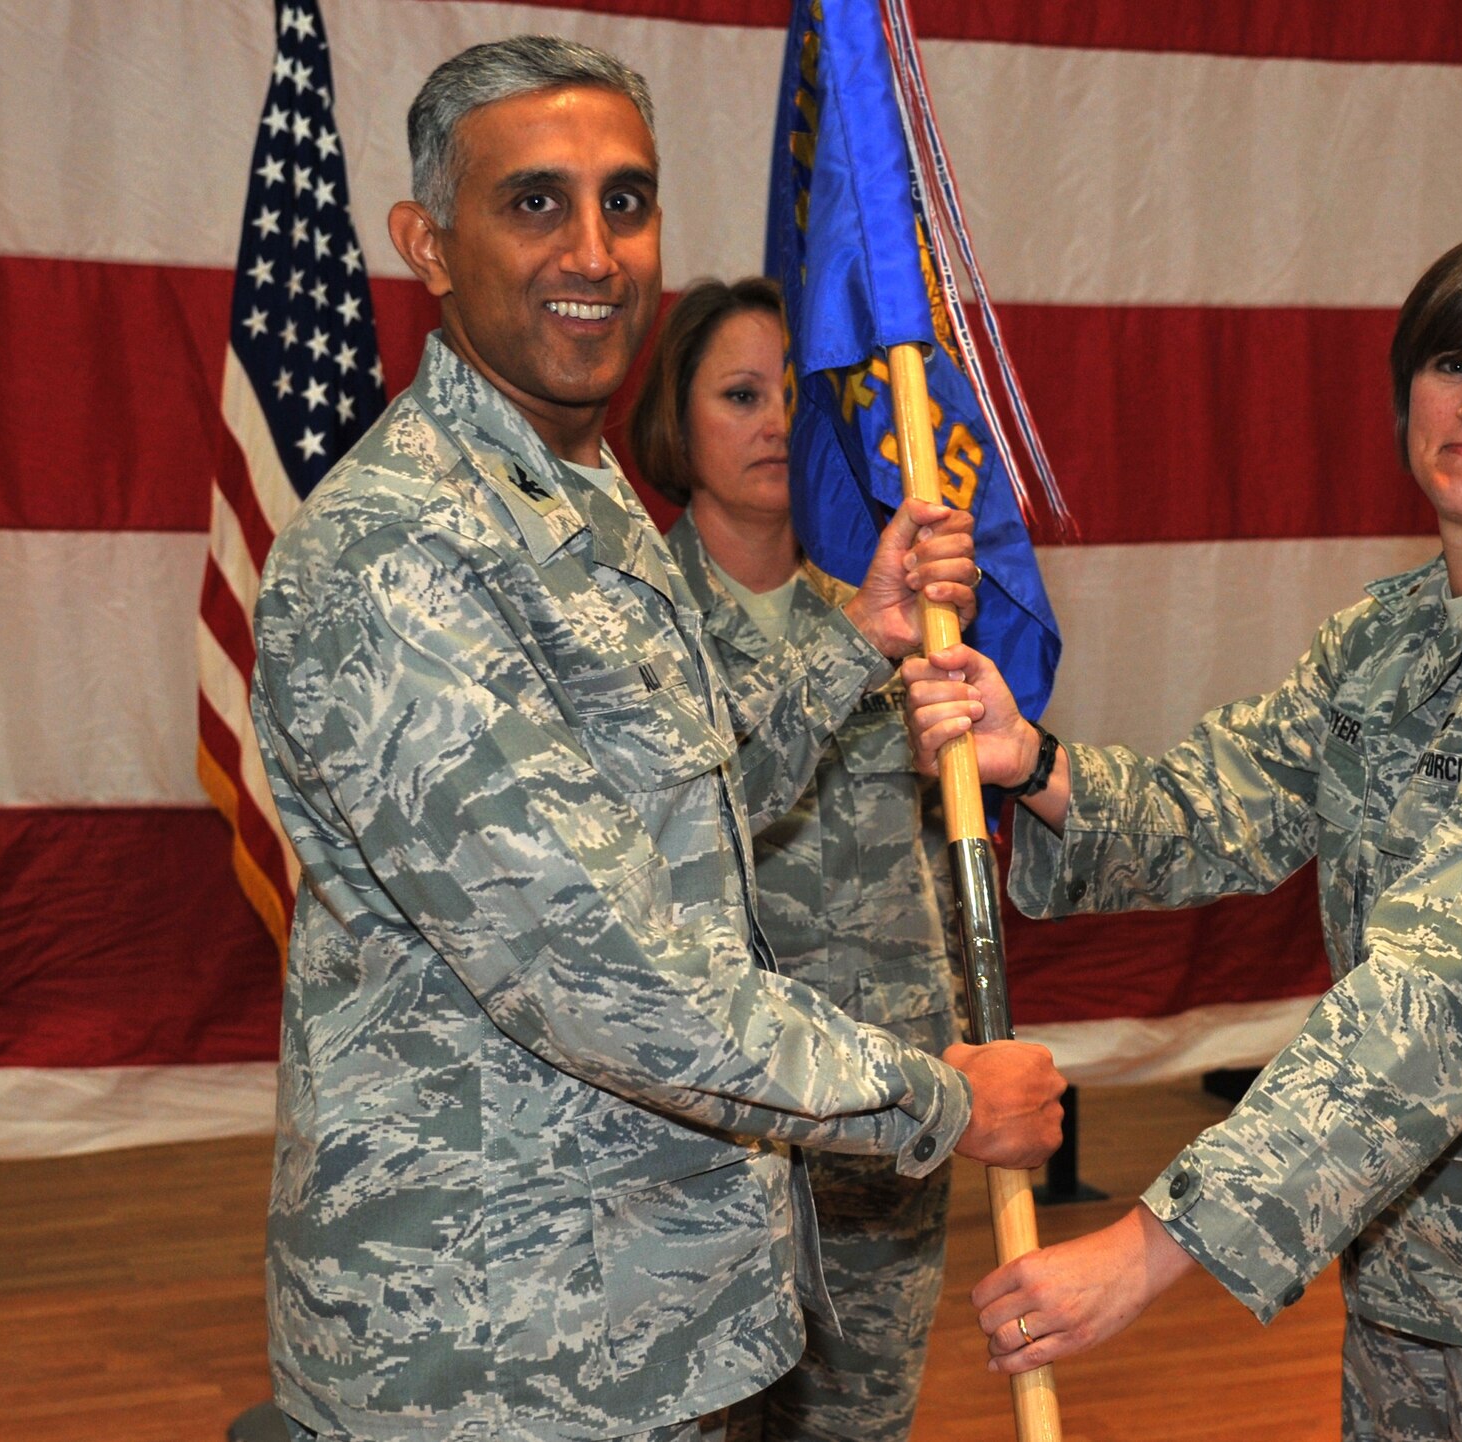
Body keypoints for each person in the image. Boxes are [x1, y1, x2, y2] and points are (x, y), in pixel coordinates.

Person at [249, 36, 1063, 1442]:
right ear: (426, 244)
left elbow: (675, 808)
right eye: (535, 202)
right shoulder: (396, 549)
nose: (594, 250)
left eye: (624, 202)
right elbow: (602, 967)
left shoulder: (583, 490)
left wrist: (846, 645)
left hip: (658, 1321)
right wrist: (936, 1100)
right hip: (490, 1349)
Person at [905, 226, 1462, 1441]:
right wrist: (1033, 763)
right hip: (1414, 1281)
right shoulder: (1388, 635)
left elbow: (1437, 997)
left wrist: (1148, 1248)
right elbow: (1220, 804)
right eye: (1451, 364)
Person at [627, 278, 964, 1442]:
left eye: (793, 396)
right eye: (739, 395)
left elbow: (943, 862)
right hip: (708, 1135)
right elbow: (671, 826)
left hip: (885, 1123)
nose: (774, 421)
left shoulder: (899, 620)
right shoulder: (632, 629)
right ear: (675, 421)